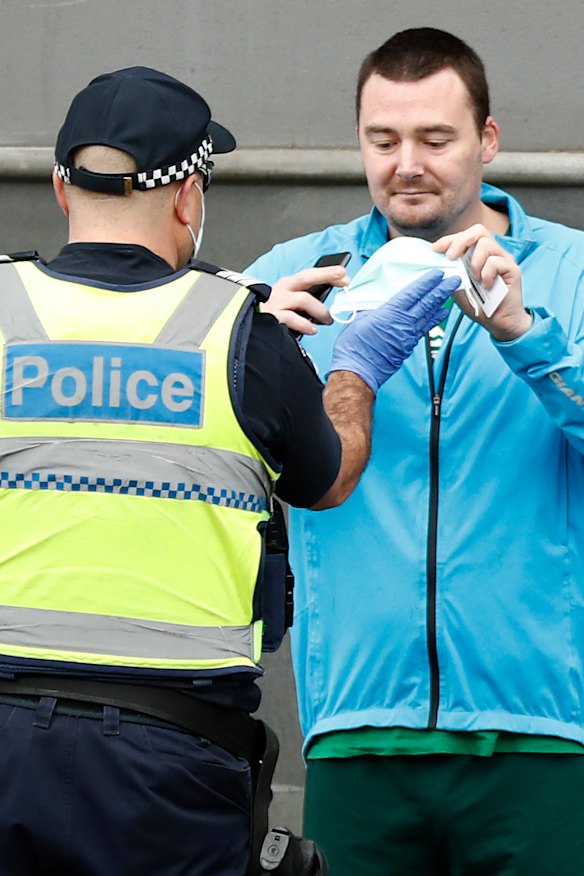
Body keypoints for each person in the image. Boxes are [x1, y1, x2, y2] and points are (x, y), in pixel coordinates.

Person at [0, 65, 458, 876]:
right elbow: (331, 479)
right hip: (169, 763)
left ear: (62, 189)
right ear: (189, 198)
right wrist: (353, 368)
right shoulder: (240, 332)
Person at [247, 27, 584, 876]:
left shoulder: (572, 274)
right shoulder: (294, 274)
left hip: (543, 731)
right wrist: (251, 348)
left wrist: (524, 335)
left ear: (488, 141)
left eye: (436, 138)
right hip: (356, 728)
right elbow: (203, 463)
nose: (407, 163)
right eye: (383, 139)